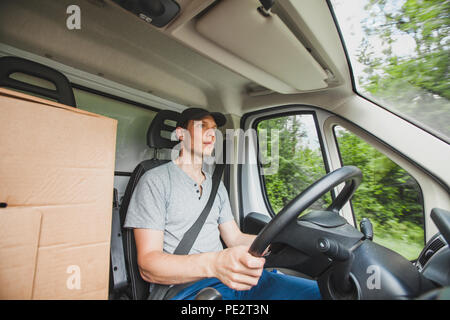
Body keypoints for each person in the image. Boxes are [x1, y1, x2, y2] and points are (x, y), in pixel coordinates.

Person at [123, 107, 321, 300]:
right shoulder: (154, 180)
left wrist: (278, 242)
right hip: (186, 290)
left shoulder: (216, 186)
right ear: (181, 134)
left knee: (322, 293)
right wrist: (216, 263)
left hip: (235, 278)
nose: (212, 134)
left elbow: (234, 238)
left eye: (214, 129)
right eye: (202, 127)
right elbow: (149, 265)